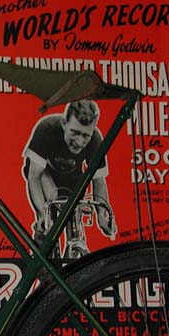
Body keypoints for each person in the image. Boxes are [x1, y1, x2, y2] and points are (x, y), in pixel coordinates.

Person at [22, 98, 116, 244]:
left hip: (71, 177)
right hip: (44, 174)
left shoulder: (96, 139)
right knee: (48, 219)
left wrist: (102, 216)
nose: (79, 142)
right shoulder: (46, 128)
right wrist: (41, 214)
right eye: (75, 132)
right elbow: (34, 176)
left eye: (85, 135)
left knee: (73, 217)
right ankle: (42, 245)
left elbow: (99, 181)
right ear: (64, 124)